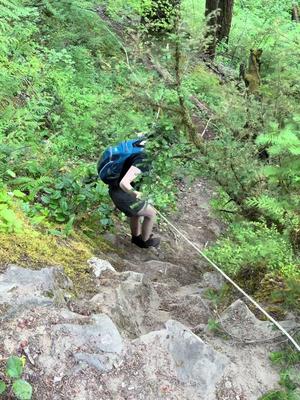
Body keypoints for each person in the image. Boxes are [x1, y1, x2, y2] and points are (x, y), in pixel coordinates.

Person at [108, 139, 160, 248]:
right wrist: (137, 194)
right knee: (151, 213)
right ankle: (145, 242)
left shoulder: (138, 145)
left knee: (136, 212)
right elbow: (124, 183)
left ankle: (136, 238)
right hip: (122, 194)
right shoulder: (145, 159)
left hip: (114, 190)